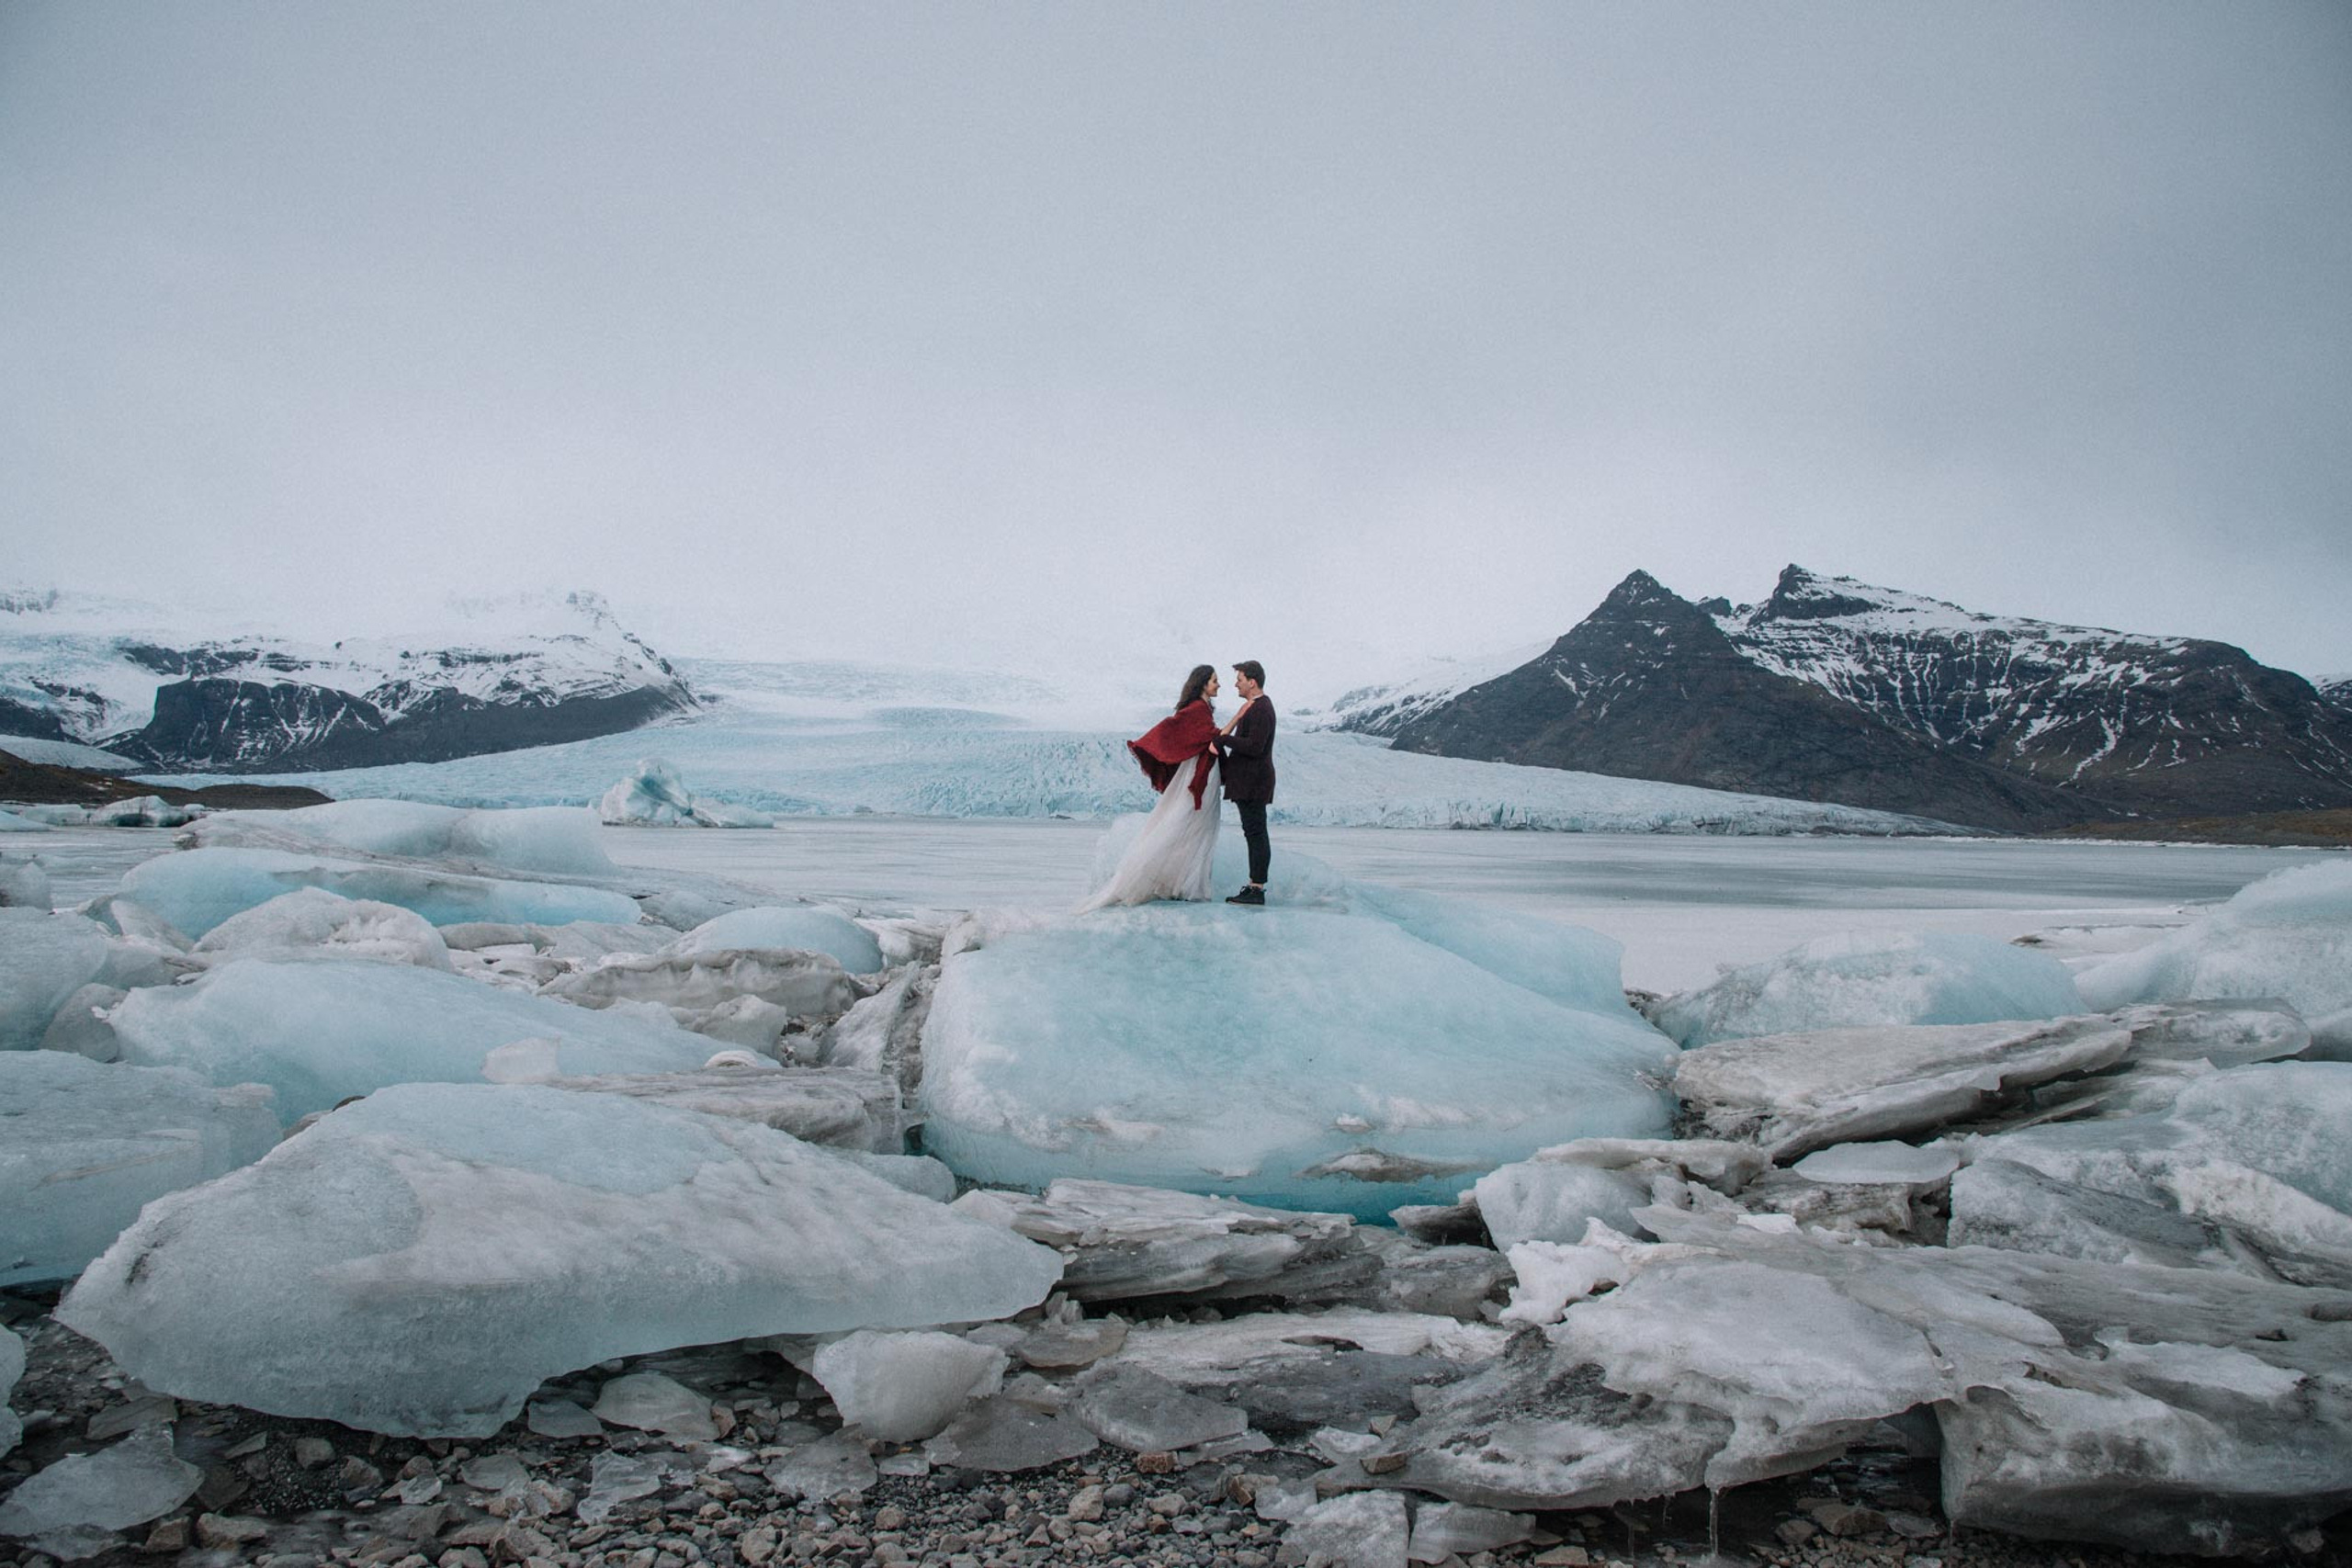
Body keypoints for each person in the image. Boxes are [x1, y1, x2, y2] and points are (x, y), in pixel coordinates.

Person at [1077, 664, 1238, 909]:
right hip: (1200, 776)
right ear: (1203, 683)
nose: (1219, 685)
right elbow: (1210, 738)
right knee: (1189, 824)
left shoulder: (1202, 709)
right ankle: (1182, 884)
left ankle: (1183, 883)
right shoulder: (1196, 709)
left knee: (1195, 825)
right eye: (1215, 680)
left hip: (1204, 774)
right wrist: (1239, 717)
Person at [1217, 660, 1276, 904]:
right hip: (1250, 781)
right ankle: (1255, 886)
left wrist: (1223, 739)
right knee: (1253, 831)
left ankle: (1256, 889)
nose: (1235, 684)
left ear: (1252, 682)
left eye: (1239, 680)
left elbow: (1254, 746)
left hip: (1254, 782)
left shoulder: (1261, 708)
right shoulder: (1256, 707)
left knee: (1255, 832)